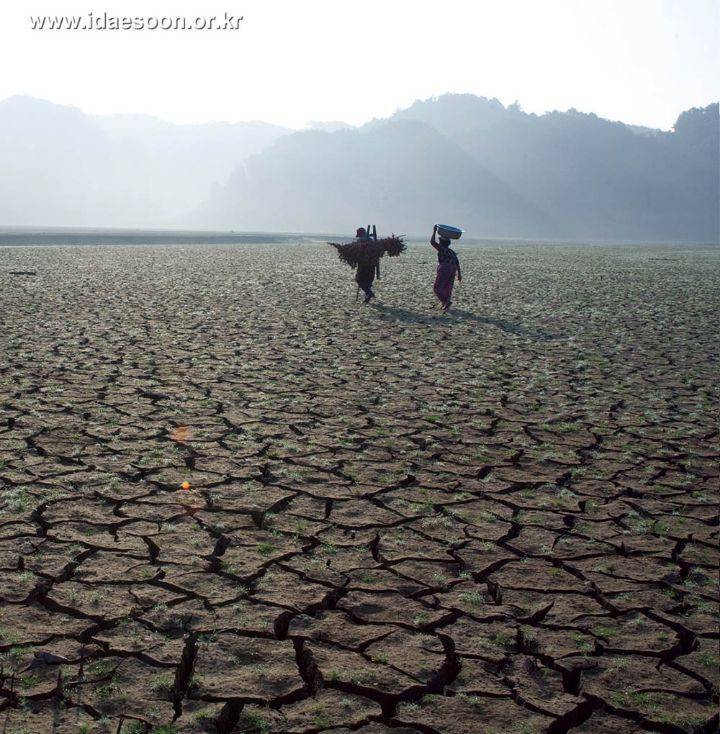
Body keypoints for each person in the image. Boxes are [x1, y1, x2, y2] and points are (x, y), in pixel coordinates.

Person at [430, 225, 462, 311]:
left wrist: (434, 231)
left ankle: (446, 301)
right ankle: (445, 303)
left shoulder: (441, 248)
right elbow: (457, 263)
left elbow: (432, 242)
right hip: (453, 269)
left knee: (437, 288)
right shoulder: (452, 252)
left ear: (441, 242)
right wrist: (459, 274)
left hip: (444, 268)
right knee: (448, 286)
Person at [355, 224, 380, 303]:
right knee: (368, 281)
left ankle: (369, 293)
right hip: (372, 264)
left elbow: (358, 251)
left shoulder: (361, 241)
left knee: (359, 280)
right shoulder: (371, 241)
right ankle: (368, 296)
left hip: (364, 265)